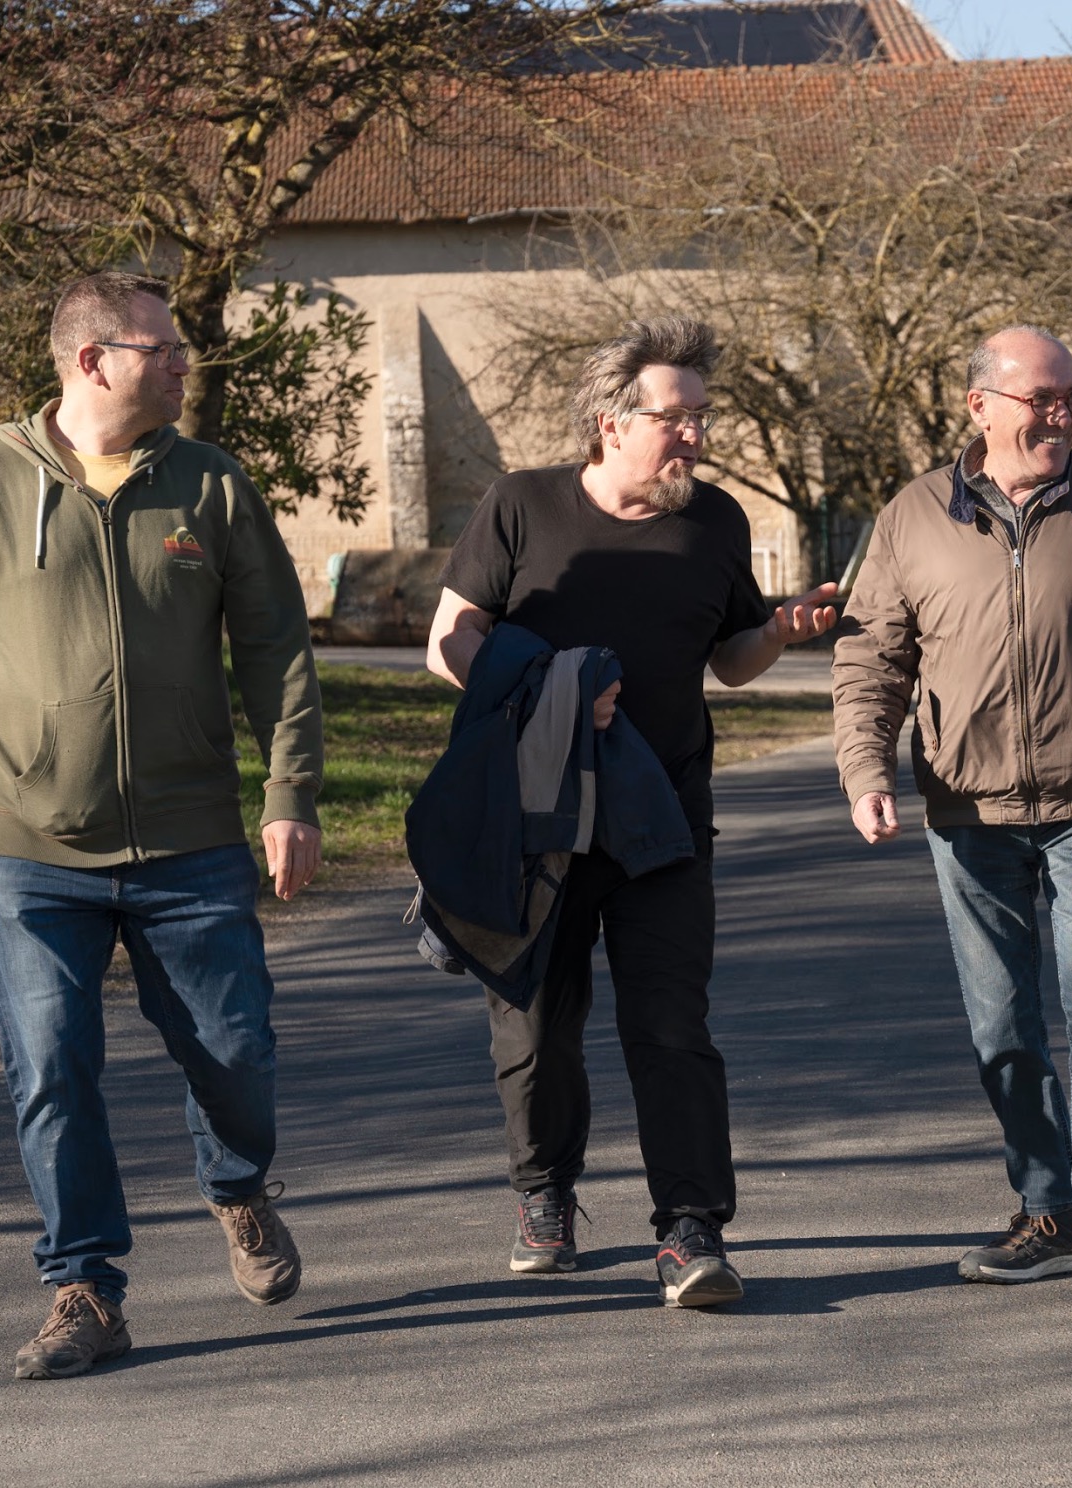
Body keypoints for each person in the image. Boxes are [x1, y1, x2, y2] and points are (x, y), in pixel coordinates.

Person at [0, 270, 325, 1378]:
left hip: (194, 844)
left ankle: (238, 1187)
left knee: (237, 1060)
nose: (182, 362)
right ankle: (84, 1289)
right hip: (33, 849)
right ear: (92, 361)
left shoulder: (211, 487)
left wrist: (290, 792)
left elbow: (275, 649)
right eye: (159, 348)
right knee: (51, 1070)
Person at [424, 315, 836, 1308]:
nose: (696, 435)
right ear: (611, 422)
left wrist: (777, 633)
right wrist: (545, 688)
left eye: (702, 417)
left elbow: (728, 662)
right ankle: (545, 1193)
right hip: (536, 825)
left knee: (671, 1025)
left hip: (664, 824)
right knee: (534, 1028)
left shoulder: (716, 524)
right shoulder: (522, 506)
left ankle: (691, 1227)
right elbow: (449, 638)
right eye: (677, 417)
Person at [831, 325, 1072, 1307]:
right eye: (1041, 398)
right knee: (1002, 1025)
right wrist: (863, 767)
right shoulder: (912, 517)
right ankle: (1044, 1210)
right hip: (966, 811)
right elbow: (870, 658)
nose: (1061, 416)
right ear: (979, 408)